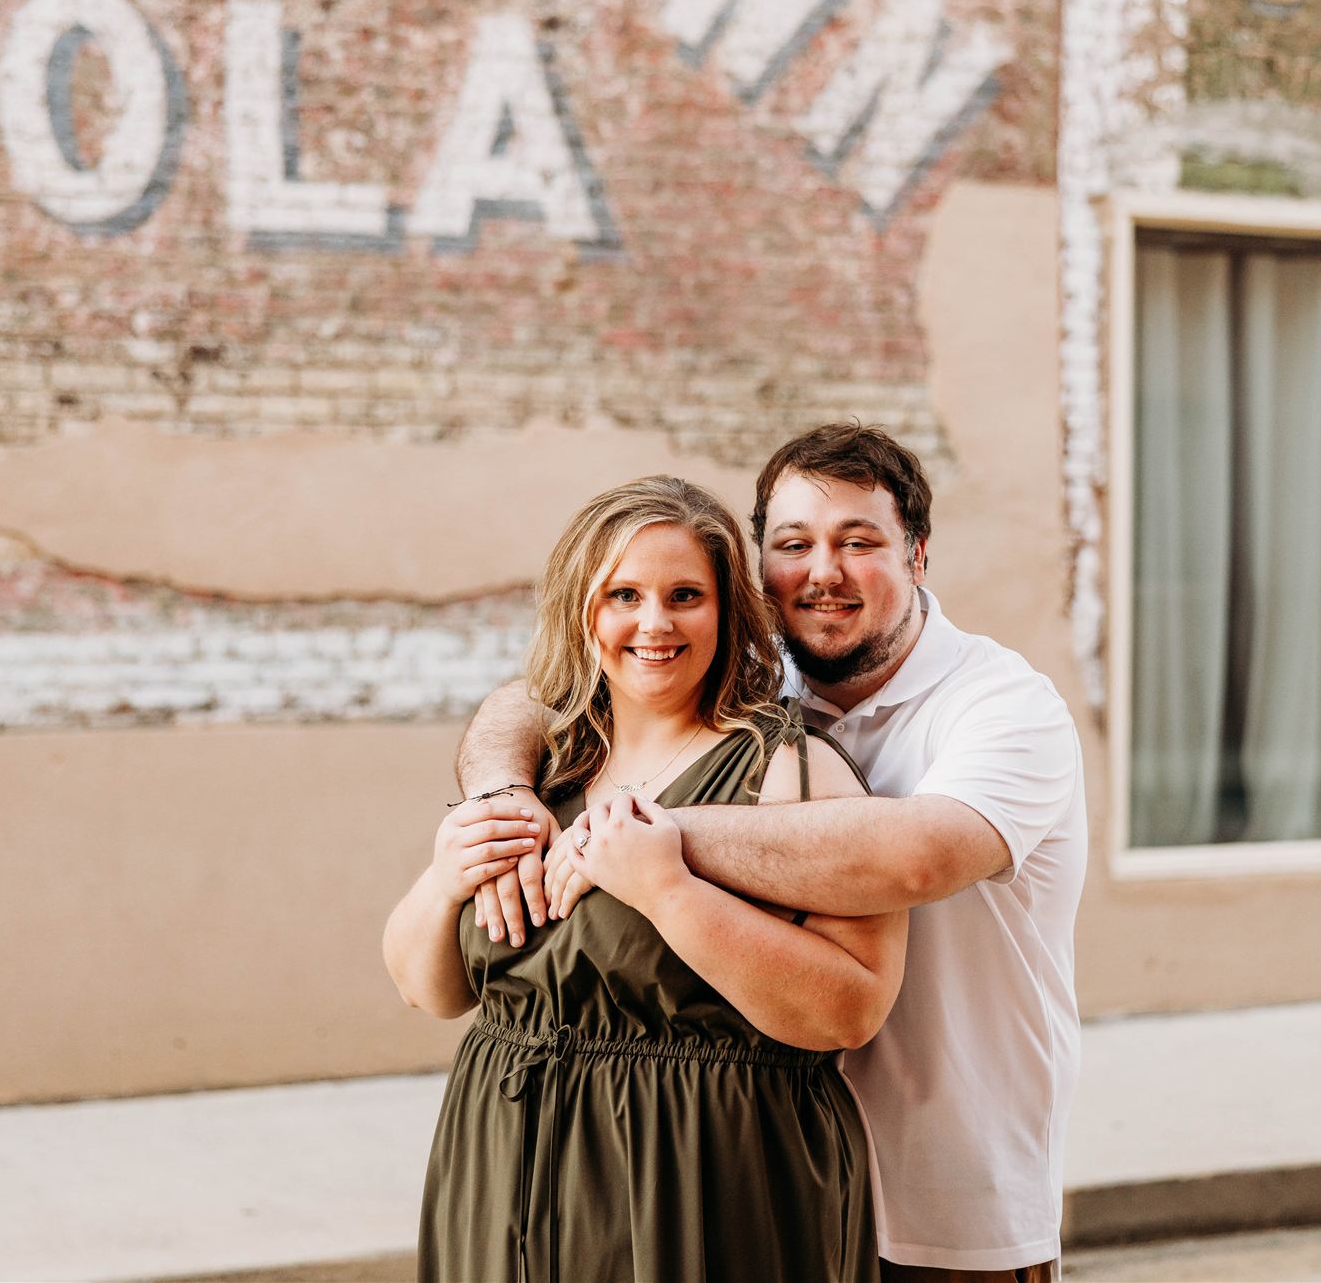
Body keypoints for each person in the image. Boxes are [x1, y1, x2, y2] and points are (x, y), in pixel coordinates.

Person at [459, 424, 1086, 1283]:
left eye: (858, 541)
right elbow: (538, 695)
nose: (823, 571)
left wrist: (657, 833)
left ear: (918, 555)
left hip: (944, 1206)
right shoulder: (756, 687)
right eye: (794, 544)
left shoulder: (1002, 705)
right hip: (774, 1173)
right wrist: (499, 788)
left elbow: (914, 856)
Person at [383, 475, 906, 1283]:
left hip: (702, 1182)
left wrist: (669, 893)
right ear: (582, 609)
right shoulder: (546, 763)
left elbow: (851, 1008)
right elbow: (432, 991)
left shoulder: (791, 771)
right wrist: (446, 878)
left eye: (685, 595)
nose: (654, 622)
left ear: (727, 611)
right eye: (623, 594)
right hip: (501, 1172)